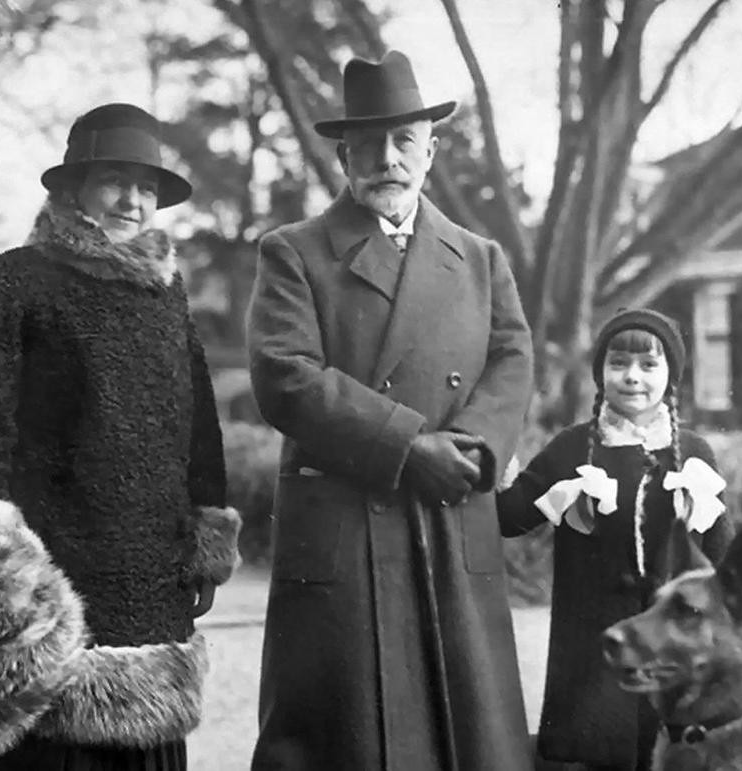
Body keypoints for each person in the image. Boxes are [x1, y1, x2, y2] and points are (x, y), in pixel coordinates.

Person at [0, 103, 242, 771]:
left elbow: (199, 429)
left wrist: (203, 544)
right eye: (116, 180)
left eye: (148, 187)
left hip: (151, 593)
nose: (133, 200)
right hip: (49, 597)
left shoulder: (167, 298)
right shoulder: (12, 282)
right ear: (73, 190)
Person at [247, 51, 535, 771]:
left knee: (467, 736)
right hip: (348, 523)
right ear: (344, 155)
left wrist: (469, 445)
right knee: (349, 737)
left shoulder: (478, 257)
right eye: (369, 144)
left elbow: (512, 357)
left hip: (450, 512)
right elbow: (284, 375)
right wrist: (409, 447)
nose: (387, 159)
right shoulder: (294, 252)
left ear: (430, 152)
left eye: (404, 141)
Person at [496, 308, 735, 771]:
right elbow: (511, 518)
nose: (632, 377)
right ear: (601, 373)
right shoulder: (571, 448)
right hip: (591, 642)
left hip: (671, 643)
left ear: (670, 377)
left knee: (671, 748)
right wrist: (499, 469)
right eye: (618, 364)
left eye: (649, 365)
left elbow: (722, 554)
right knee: (598, 748)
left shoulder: (693, 454)